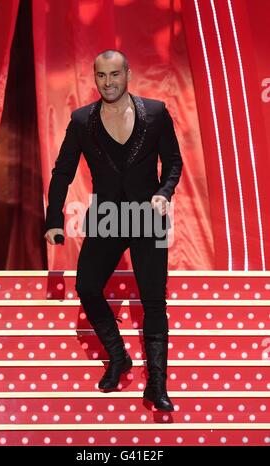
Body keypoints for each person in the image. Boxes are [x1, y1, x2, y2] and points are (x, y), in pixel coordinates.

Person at [44, 50, 183, 412]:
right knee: (87, 286)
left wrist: (163, 193)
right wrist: (54, 219)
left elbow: (173, 162)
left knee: (154, 300)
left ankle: (156, 384)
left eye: (115, 74)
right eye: (102, 76)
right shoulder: (81, 120)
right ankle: (118, 357)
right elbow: (62, 172)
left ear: (128, 74)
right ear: (95, 77)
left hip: (146, 214)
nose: (109, 82)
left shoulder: (154, 113)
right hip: (107, 214)